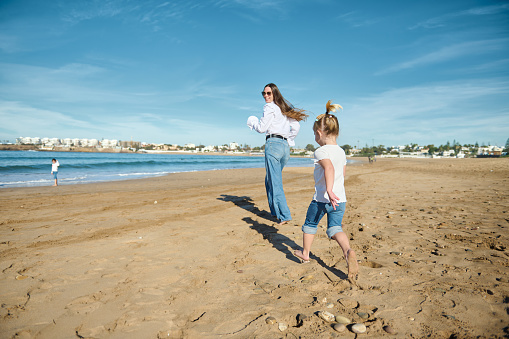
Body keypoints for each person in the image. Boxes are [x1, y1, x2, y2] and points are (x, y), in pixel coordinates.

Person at [293, 100, 359, 280]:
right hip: (340, 199)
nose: (315, 137)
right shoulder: (341, 151)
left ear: (320, 133)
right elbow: (342, 173)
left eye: (315, 133)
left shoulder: (320, 151)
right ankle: (347, 251)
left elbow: (329, 168)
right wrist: (336, 189)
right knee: (335, 228)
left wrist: (328, 190)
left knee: (310, 225)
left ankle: (306, 253)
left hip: (323, 198)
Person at [247, 83, 307, 224]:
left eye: (269, 93)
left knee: (275, 182)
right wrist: (289, 139)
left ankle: (284, 215)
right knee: (270, 180)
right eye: (264, 93)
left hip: (273, 144)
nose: (266, 96)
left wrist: (252, 122)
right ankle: (275, 211)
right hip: (284, 147)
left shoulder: (269, 107)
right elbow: (296, 126)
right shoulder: (282, 108)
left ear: (275, 94)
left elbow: (262, 128)